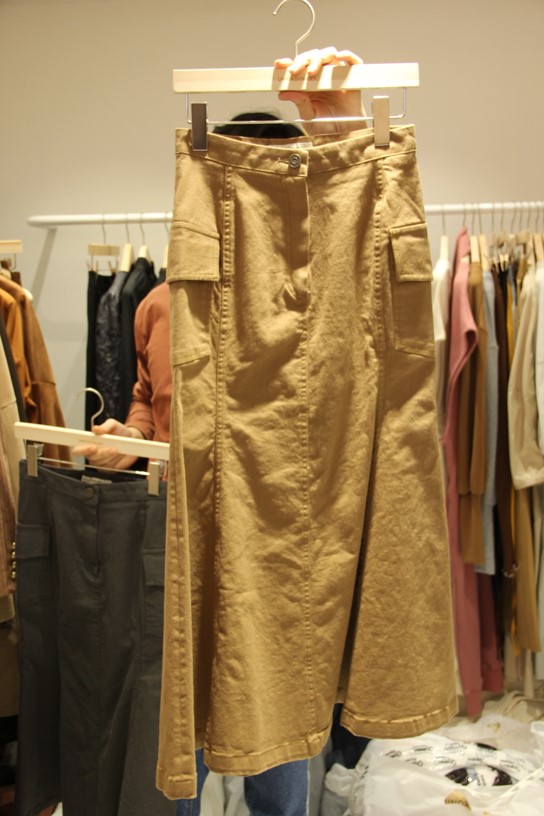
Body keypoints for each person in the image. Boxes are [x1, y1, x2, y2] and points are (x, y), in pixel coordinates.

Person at [76, 47, 367, 816]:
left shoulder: (313, 303)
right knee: (181, 732)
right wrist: (128, 435)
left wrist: (344, 128)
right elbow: (149, 396)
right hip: (184, 540)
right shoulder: (162, 302)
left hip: (278, 547)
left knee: (278, 734)